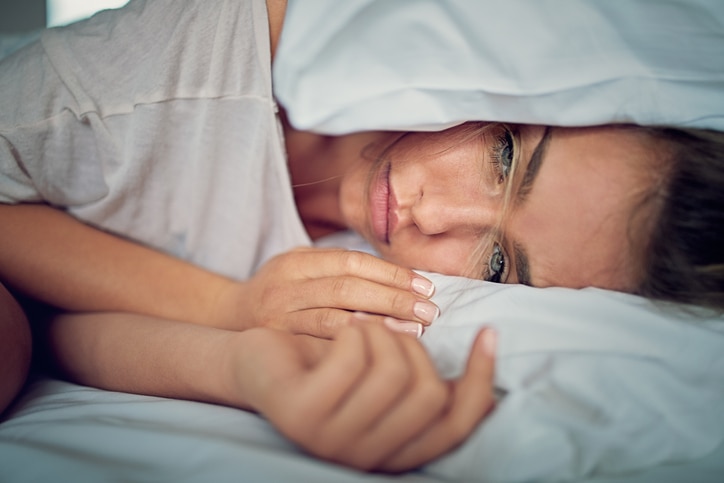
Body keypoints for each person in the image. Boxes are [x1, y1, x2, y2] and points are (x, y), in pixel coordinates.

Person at [0, 0, 722, 472]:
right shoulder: (198, 72)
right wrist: (225, 307)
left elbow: (58, 333)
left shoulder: (375, 288)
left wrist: (245, 362)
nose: (433, 217)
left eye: (498, 261)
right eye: (503, 157)